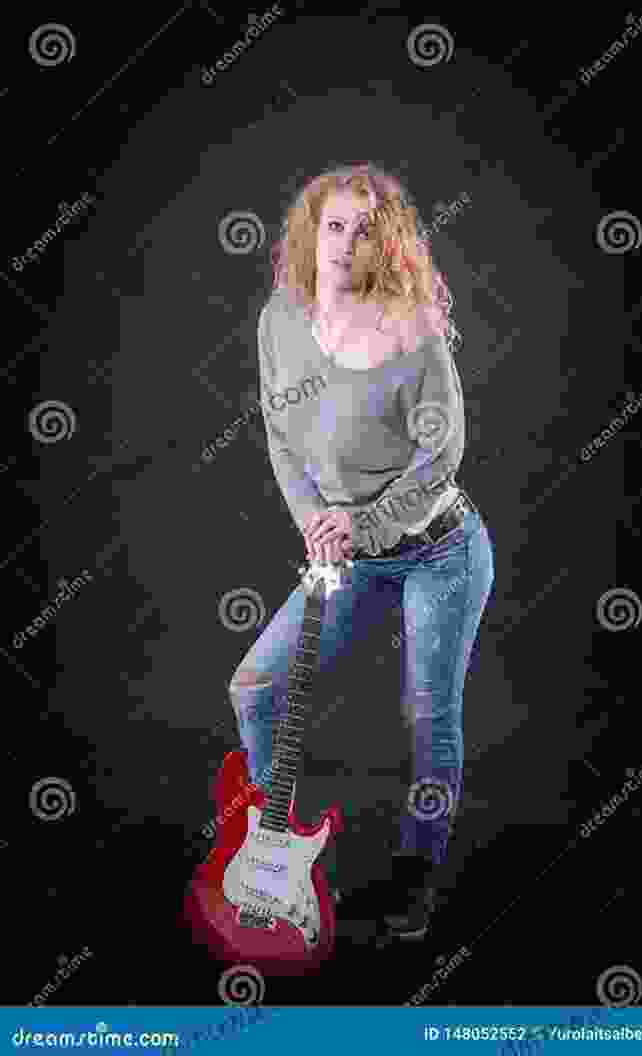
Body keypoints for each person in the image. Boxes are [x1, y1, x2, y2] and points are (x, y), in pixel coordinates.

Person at [228, 163, 494, 940]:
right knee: (254, 687)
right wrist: (315, 517)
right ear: (311, 232)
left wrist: (365, 525)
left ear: (389, 240)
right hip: (345, 548)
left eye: (365, 228)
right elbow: (283, 436)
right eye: (334, 225)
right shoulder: (281, 320)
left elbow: (440, 461)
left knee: (426, 714)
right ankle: (277, 846)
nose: (346, 243)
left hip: (439, 549)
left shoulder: (413, 334)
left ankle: (418, 880)